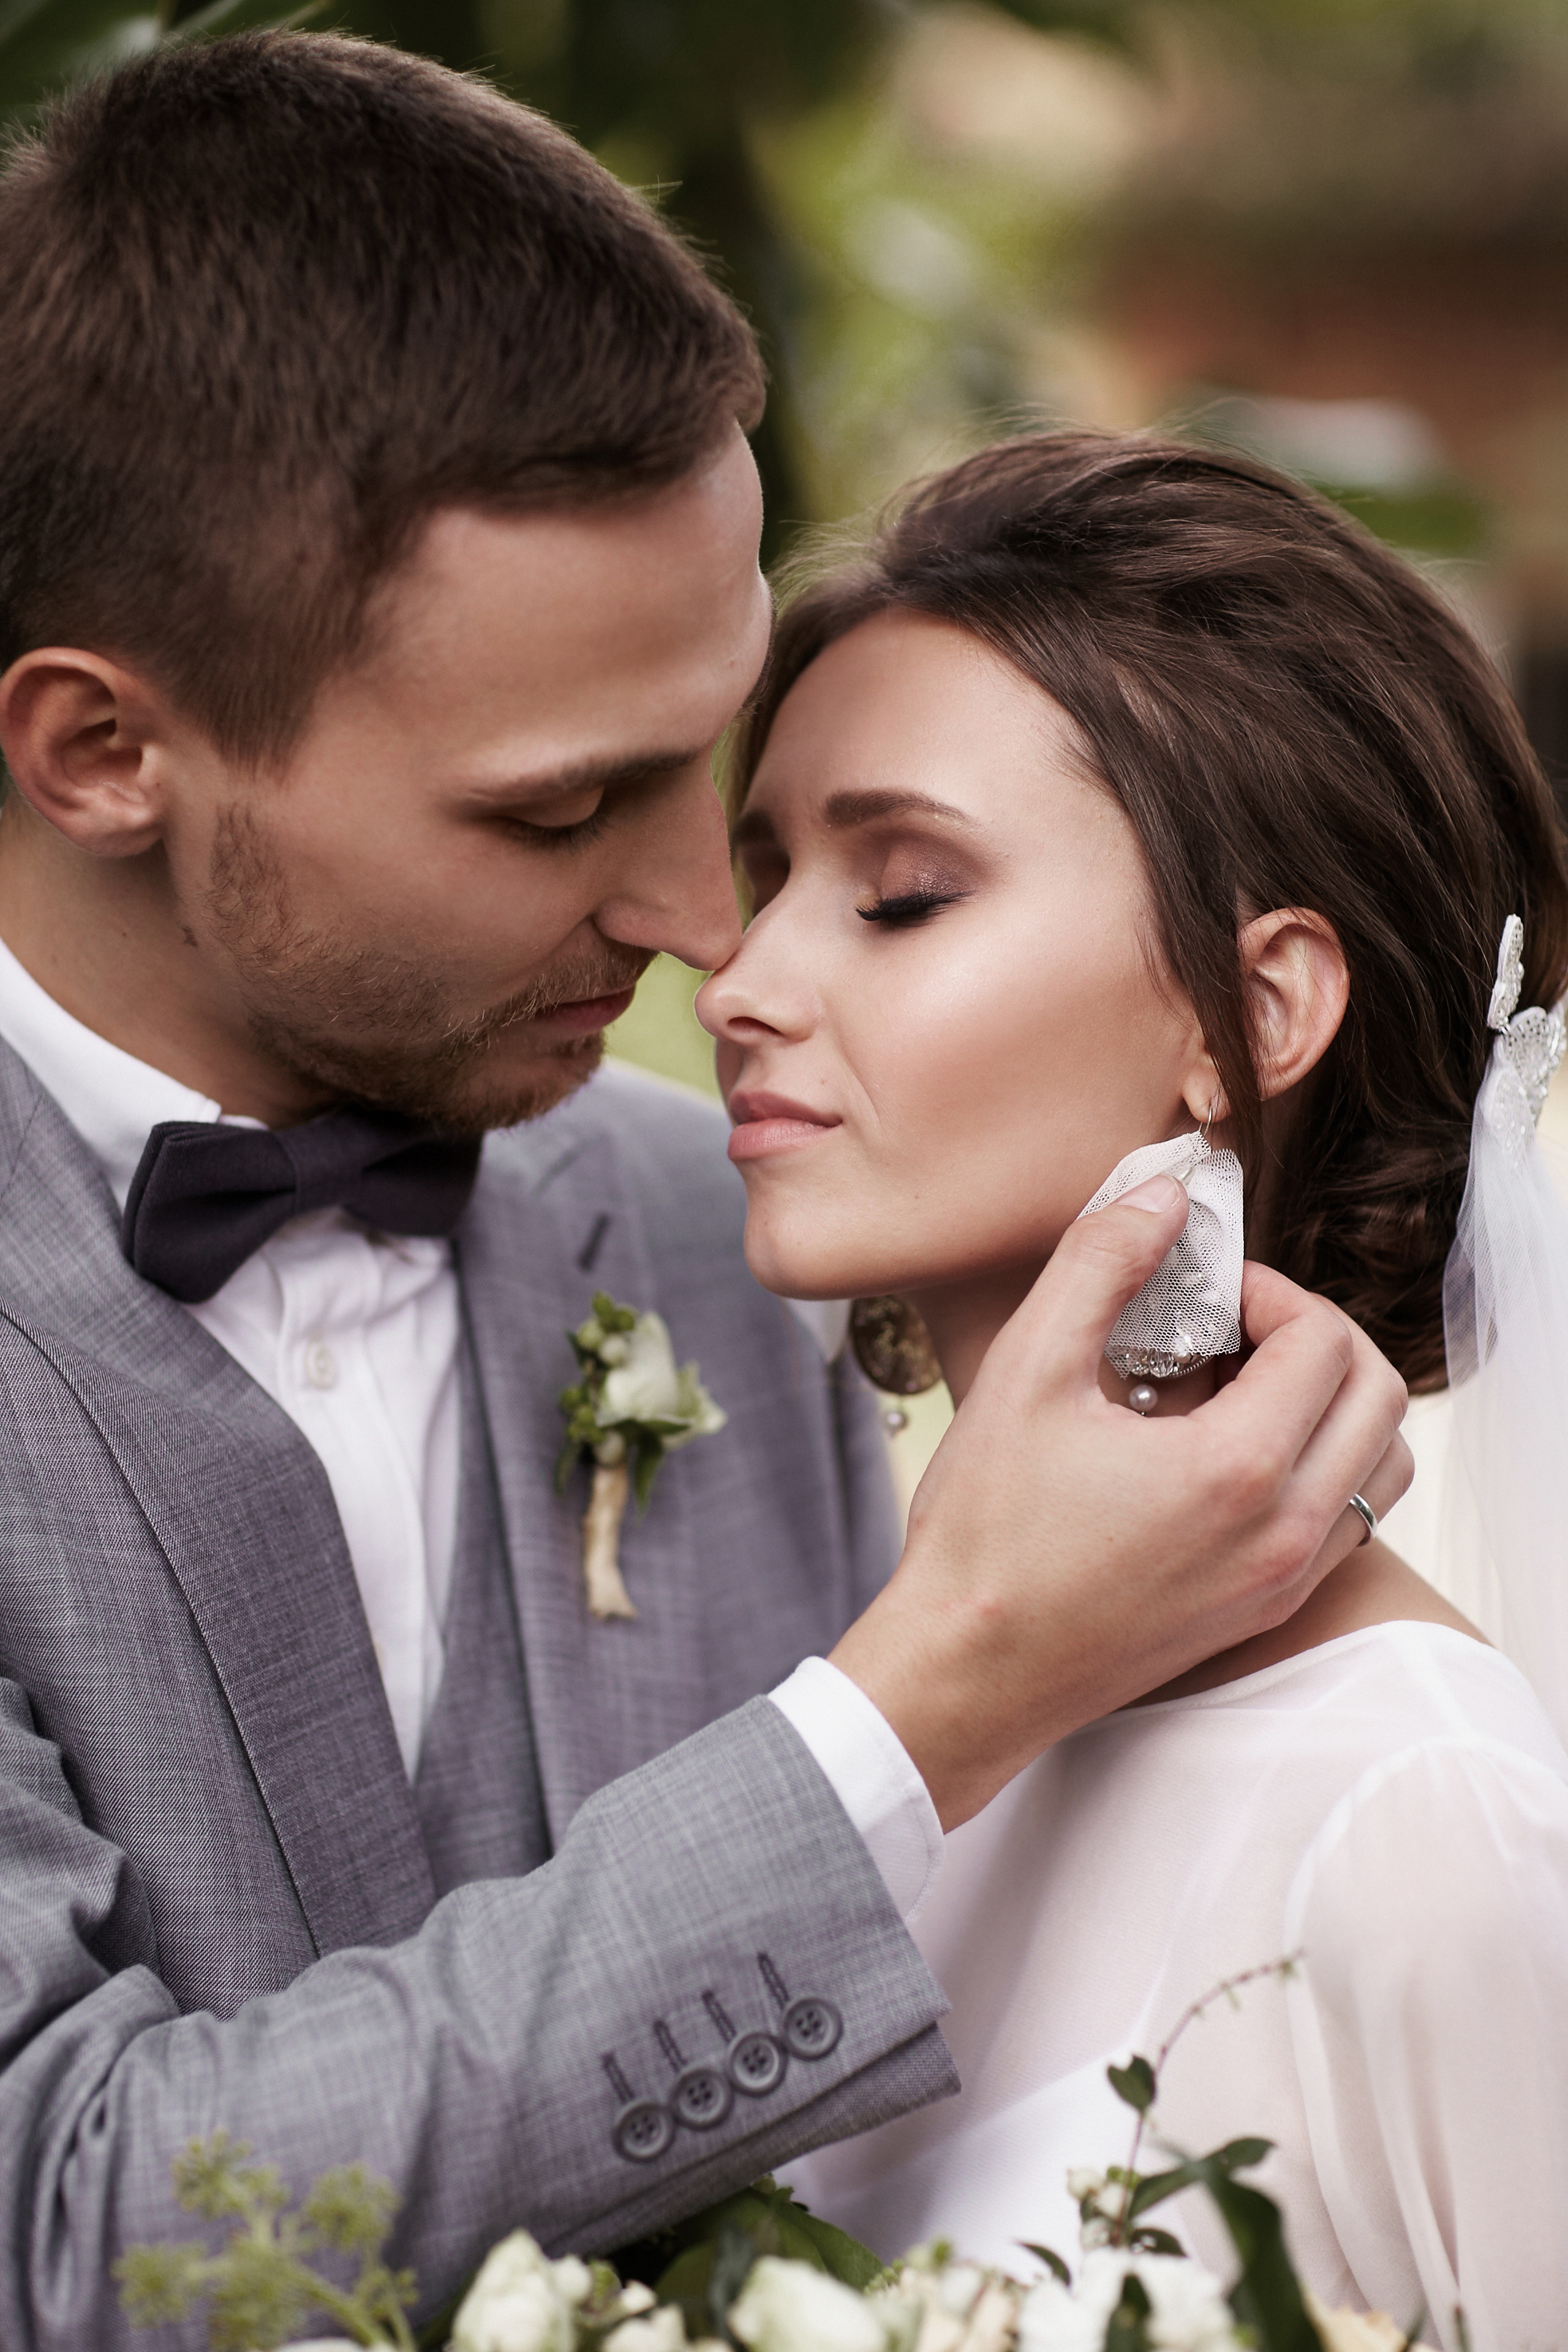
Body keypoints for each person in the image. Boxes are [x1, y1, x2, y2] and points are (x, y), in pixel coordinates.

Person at [0, 40, 1408, 2350]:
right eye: (563, 812)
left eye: (721, 760)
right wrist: (933, 1693)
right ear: (104, 749)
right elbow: (71, 2233)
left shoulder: (709, 1236)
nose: (699, 922)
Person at [698, 431, 1568, 2352]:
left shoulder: (1427, 1824)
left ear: (1250, 1012)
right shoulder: (878, 1724)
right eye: (764, 877)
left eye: (901, 893)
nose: (741, 978)